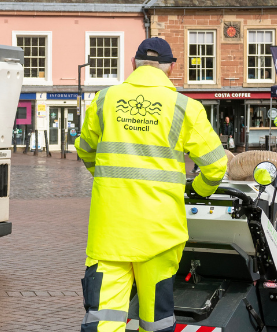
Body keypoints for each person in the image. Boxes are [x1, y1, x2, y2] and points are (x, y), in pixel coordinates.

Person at [74, 38, 227, 332]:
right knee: (156, 321)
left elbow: (85, 148)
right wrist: (200, 190)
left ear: (134, 64)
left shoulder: (105, 99)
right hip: (159, 233)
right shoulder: (185, 107)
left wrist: (107, 178)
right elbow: (216, 165)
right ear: (170, 68)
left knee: (103, 319)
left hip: (110, 230)